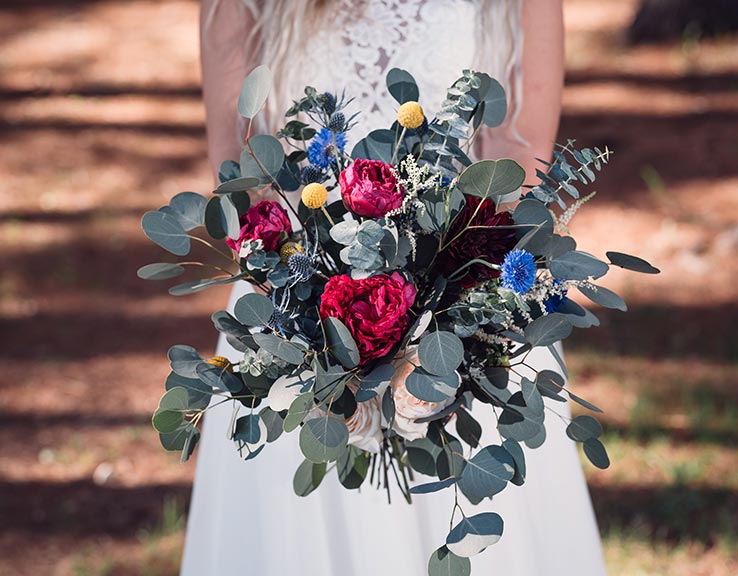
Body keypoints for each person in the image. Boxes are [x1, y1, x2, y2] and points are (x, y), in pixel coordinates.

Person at [182, 1, 607, 574]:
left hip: (465, 298)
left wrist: (445, 320)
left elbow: (516, 158)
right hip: (295, 311)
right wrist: (328, 315)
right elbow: (241, 168)